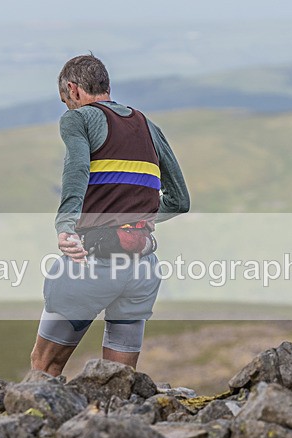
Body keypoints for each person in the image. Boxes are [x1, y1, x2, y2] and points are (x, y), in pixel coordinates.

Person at [30, 54, 189, 376]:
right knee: (117, 380)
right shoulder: (148, 124)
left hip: (92, 264)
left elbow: (76, 171)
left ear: (73, 90)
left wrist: (65, 226)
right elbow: (179, 200)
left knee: (44, 365)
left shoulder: (79, 119)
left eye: (66, 101)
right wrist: (134, 222)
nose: (68, 108)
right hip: (142, 268)